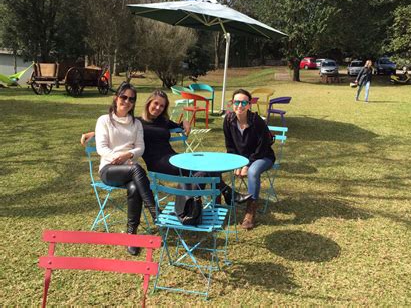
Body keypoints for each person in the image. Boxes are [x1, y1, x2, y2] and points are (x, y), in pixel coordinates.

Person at [82, 90, 250, 204]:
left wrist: (184, 122)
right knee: (201, 170)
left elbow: (177, 124)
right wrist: (92, 133)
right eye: (155, 104)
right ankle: (210, 198)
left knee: (206, 164)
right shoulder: (137, 123)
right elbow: (116, 126)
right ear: (148, 103)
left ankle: (217, 197)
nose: (158, 108)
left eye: (162, 106)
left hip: (174, 158)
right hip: (158, 164)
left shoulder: (163, 121)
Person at [93, 82, 157, 256]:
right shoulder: (104, 120)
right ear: (116, 97)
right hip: (109, 169)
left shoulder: (136, 124)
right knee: (137, 169)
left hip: (129, 168)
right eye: (124, 97)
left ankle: (131, 236)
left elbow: (140, 148)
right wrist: (118, 158)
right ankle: (155, 212)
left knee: (135, 187)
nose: (127, 101)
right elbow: (101, 148)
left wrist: (128, 155)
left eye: (131, 99)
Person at [223, 89, 276, 230]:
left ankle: (250, 212)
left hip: (263, 156)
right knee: (216, 166)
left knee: (252, 172)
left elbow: (262, 147)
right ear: (232, 103)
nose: (240, 105)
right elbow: (230, 146)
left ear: (249, 105)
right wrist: (236, 163)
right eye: (236, 102)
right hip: (241, 158)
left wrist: (247, 164)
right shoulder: (228, 120)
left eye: (244, 102)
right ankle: (220, 201)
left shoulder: (257, 121)